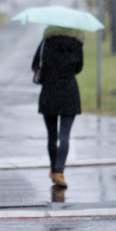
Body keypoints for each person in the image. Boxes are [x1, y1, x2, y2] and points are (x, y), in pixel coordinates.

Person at [31, 26, 84, 189]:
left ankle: (54, 170)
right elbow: (78, 68)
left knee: (52, 136)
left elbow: (35, 64)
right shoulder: (76, 44)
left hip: (49, 92)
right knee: (65, 135)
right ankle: (60, 172)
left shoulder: (46, 42)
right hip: (69, 92)